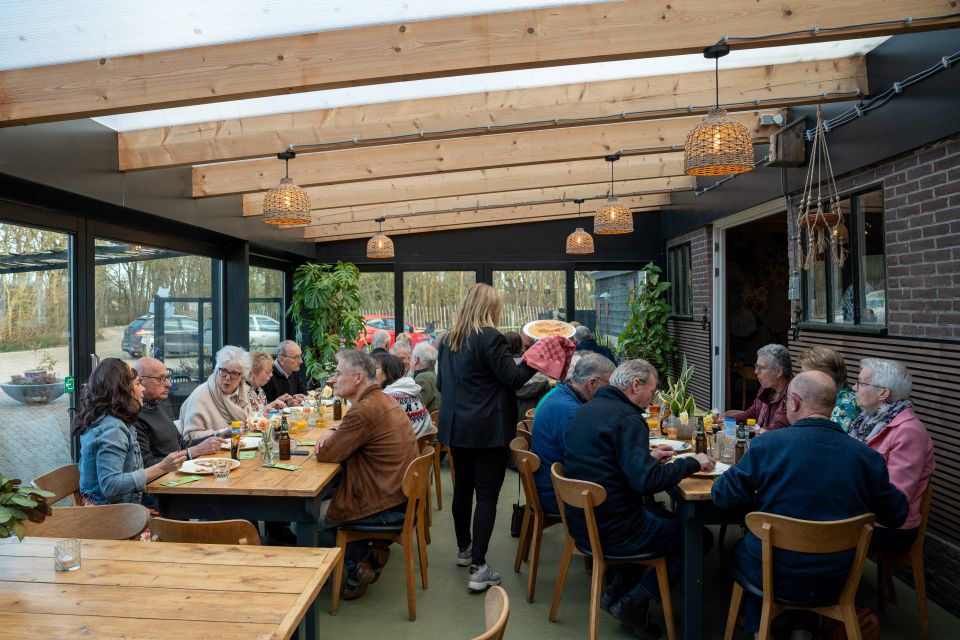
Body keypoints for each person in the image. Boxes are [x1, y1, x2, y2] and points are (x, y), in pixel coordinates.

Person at [712, 371, 908, 639]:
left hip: (773, 573)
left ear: (793, 402)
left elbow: (723, 496)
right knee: (788, 555)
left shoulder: (767, 445)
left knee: (749, 549)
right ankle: (800, 627)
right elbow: (897, 514)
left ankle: (758, 628)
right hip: (836, 575)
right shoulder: (867, 458)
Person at [563, 359, 715, 638]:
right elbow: (647, 482)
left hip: (583, 523)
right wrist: (692, 462)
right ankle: (636, 601)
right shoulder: (628, 419)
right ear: (635, 385)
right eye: (652, 391)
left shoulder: (588, 409)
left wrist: (646, 459)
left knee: (664, 518)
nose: (653, 399)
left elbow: (607, 462)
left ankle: (616, 592)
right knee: (698, 536)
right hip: (616, 529)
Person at [437, 283, 537, 592]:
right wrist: (535, 356)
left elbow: (441, 385)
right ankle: (479, 567)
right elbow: (515, 379)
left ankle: (464, 550)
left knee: (462, 490)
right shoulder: (491, 337)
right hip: (488, 430)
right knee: (487, 496)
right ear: (491, 308)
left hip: (457, 427)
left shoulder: (448, 340)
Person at [314, 349, 420, 600]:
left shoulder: (364, 410)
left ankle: (357, 566)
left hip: (384, 504)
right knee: (329, 496)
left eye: (338, 373)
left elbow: (327, 454)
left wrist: (329, 437)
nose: (333, 379)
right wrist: (334, 433)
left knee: (311, 518)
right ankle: (368, 556)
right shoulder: (381, 400)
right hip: (398, 496)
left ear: (359, 377)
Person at [851, 358, 934, 554]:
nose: (854, 387)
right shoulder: (865, 421)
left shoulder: (910, 432)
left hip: (889, 527)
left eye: (861, 382)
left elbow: (895, 499)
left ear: (883, 393)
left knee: (814, 522)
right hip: (860, 514)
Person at [76, 358, 185, 506]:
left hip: (125, 508)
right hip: (110, 516)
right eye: (138, 384)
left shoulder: (108, 420)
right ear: (122, 390)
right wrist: (162, 467)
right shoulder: (113, 429)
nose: (142, 389)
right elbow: (111, 485)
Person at [530, 352, 615, 513]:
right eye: (609, 384)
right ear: (592, 383)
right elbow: (588, 462)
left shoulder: (559, 393)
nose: (611, 390)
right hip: (558, 494)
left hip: (548, 484)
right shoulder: (571, 412)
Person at [132, 357, 224, 467]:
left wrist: (219, 435)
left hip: (181, 471)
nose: (169, 384)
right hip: (166, 476)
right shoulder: (133, 416)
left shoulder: (159, 405)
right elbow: (146, 466)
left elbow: (181, 444)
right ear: (140, 381)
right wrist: (194, 451)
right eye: (161, 379)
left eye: (168, 377)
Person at [179, 345, 253, 441]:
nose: (227, 377)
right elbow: (189, 437)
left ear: (242, 378)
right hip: (212, 450)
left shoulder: (243, 392)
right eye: (223, 371)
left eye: (234, 373)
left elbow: (249, 423)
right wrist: (221, 433)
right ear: (216, 370)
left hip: (242, 446)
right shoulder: (200, 396)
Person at [728, 343, 792, 431]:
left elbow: (777, 429)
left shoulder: (792, 395)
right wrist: (725, 420)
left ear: (778, 372)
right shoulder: (766, 389)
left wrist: (751, 432)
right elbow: (752, 414)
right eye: (756, 366)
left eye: (761, 367)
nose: (756, 371)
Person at [372, 352, 436, 438]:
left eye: (375, 368)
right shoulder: (411, 389)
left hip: (405, 444)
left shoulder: (387, 399)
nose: (370, 373)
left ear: (388, 372)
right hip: (421, 443)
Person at [797, 345, 860, 431]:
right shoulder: (829, 397)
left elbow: (828, 438)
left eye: (806, 374)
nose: (802, 378)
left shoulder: (844, 407)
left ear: (825, 375)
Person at [505, 331, 552, 418]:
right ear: (520, 344)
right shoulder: (531, 363)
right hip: (536, 414)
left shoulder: (503, 369)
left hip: (514, 414)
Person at [261, 340, 307, 405]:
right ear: (281, 360)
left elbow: (303, 394)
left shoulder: (293, 370)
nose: (301, 361)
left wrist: (306, 397)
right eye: (296, 357)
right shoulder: (267, 374)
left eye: (300, 356)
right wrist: (286, 403)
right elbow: (263, 405)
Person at [246, 350, 287, 414]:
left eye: (271, 371)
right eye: (267, 372)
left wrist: (273, 405)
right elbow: (247, 417)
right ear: (253, 372)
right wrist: (270, 406)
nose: (271, 375)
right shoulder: (242, 393)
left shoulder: (260, 390)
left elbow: (262, 412)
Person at [411, 342, 440, 413]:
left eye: (411, 356)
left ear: (416, 359)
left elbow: (415, 410)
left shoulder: (422, 378)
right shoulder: (433, 376)